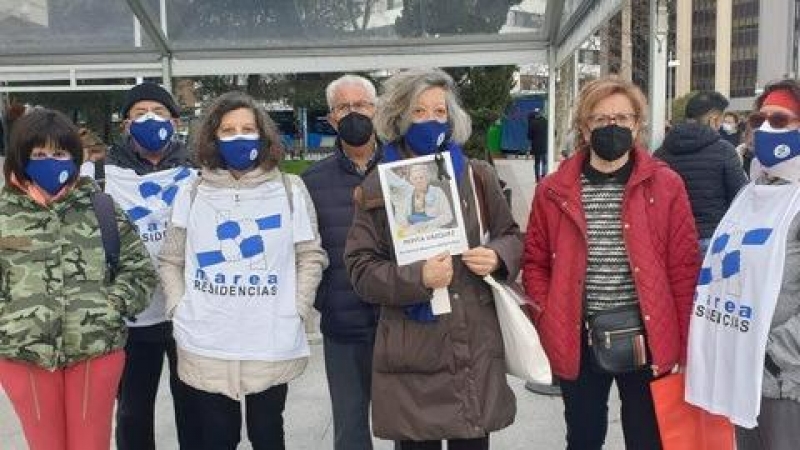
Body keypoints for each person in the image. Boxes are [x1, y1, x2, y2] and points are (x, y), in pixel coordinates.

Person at [345, 68, 521, 450]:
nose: (431, 121)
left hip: (471, 346)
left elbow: (512, 236)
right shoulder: (377, 187)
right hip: (413, 351)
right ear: (399, 118)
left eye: (439, 112)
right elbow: (360, 268)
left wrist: (497, 256)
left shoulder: (478, 177)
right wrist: (417, 278)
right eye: (419, 112)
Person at [522, 76, 700, 450]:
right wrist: (548, 311)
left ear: (637, 123)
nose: (612, 126)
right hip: (578, 335)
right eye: (600, 119)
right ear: (584, 127)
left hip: (647, 336)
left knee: (646, 439)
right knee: (583, 438)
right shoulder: (552, 190)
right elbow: (535, 261)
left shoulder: (666, 185)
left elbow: (684, 270)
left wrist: (684, 346)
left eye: (622, 117)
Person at [158, 91, 328, 450]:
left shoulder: (289, 189)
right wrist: (178, 308)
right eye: (229, 129)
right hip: (208, 341)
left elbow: (310, 256)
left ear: (263, 135)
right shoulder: (192, 192)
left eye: (247, 128)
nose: (239, 137)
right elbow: (171, 260)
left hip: (268, 338)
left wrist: (295, 309)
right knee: (217, 437)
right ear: (213, 137)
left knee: (268, 433)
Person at [0, 108, 157, 450]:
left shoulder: (100, 207)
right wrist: (8, 322)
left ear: (75, 156)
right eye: (38, 154)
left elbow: (140, 270)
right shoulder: (3, 213)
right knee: (46, 445)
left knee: (90, 443)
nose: (49, 162)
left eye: (59, 153)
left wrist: (111, 307)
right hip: (24, 354)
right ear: (20, 157)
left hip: (95, 350)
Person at [686, 79, 800, 450]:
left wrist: (773, 353)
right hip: (742, 376)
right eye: (758, 119)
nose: (765, 128)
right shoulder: (749, 194)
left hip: (784, 382)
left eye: (780, 120)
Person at [96, 82, 199, 450]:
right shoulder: (101, 174)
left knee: (195, 408)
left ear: (174, 121)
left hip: (185, 309)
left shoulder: (197, 170)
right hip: (133, 316)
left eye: (159, 112)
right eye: (139, 114)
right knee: (132, 412)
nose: (150, 120)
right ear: (125, 124)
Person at [301, 74, 386, 450]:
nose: (353, 114)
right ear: (332, 119)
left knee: (408, 423)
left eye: (362, 105)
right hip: (344, 324)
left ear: (377, 110)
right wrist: (325, 300)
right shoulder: (311, 182)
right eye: (343, 107)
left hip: (400, 322)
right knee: (350, 429)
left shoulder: (406, 169)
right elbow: (306, 251)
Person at [655, 90, 748, 255]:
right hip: (713, 238)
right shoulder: (724, 150)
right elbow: (740, 197)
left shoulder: (661, 152)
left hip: (674, 239)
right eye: (721, 119)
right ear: (713, 120)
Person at [393, 163, 454, 235]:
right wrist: (407, 225)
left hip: (435, 232)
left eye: (421, 177)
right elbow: (400, 217)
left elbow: (448, 216)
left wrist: (427, 224)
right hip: (413, 234)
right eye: (415, 178)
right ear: (411, 180)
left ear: (427, 178)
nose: (418, 181)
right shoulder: (408, 196)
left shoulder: (437, 192)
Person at [527, 108, 548, 181]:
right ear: (541, 113)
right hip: (546, 145)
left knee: (537, 162)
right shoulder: (547, 122)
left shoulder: (532, 123)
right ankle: (544, 176)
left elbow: (529, 136)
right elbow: (554, 133)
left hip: (536, 147)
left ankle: (538, 178)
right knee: (545, 162)